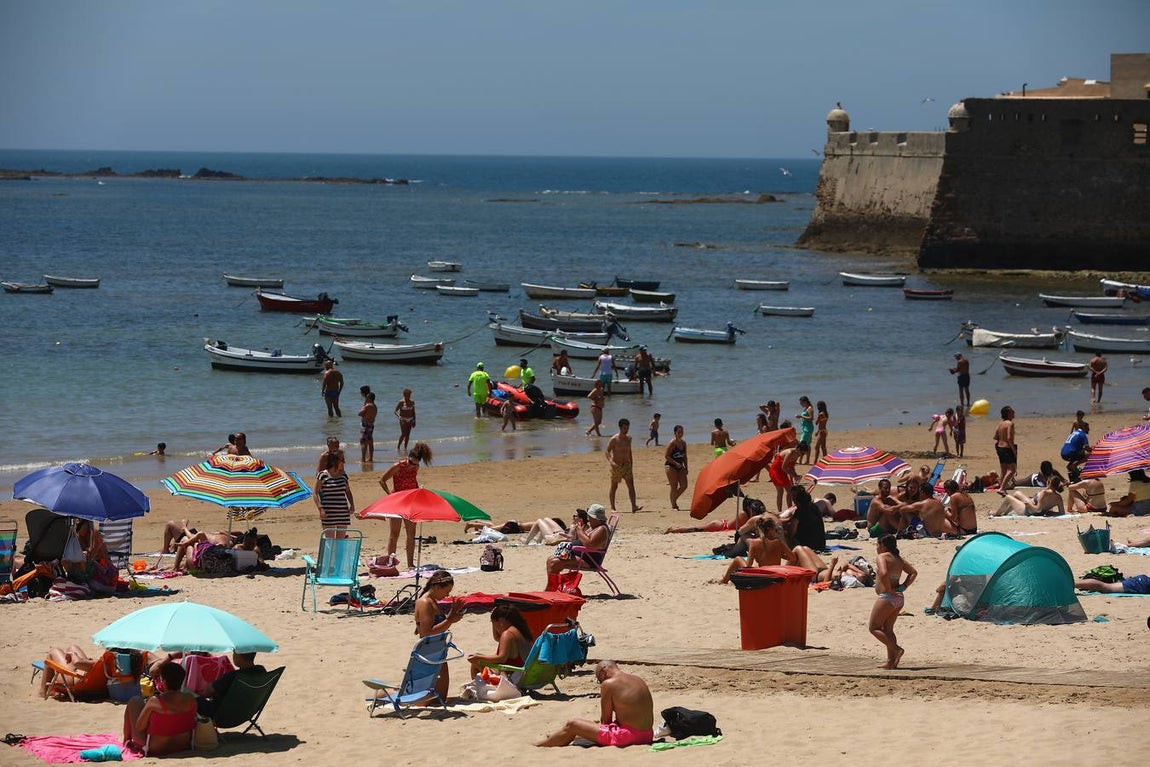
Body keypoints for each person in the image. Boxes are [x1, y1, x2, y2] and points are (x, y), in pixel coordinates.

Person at [535, 660, 654, 748]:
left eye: (599, 680)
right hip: (647, 735)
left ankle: (539, 745)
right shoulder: (638, 679)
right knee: (582, 728)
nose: (601, 683)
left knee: (572, 724)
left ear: (603, 671)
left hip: (628, 737)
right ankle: (559, 735)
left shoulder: (609, 684)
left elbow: (606, 722)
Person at [123, 661, 197, 756]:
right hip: (181, 745)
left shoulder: (155, 701)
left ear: (164, 681)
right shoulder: (190, 699)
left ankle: (126, 740)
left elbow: (139, 727)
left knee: (135, 701)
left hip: (155, 748)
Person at [413, 570, 466, 703]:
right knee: (429, 700)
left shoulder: (432, 601)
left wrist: (451, 615)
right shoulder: (425, 602)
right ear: (436, 586)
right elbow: (426, 632)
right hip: (429, 652)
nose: (447, 595)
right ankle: (385, 693)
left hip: (437, 650)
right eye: (446, 591)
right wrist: (450, 620)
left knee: (439, 698)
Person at [379, 442, 434, 567]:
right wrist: (390, 495)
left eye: (415, 464)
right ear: (408, 458)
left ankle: (410, 564)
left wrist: (418, 490)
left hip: (410, 502)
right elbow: (382, 480)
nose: (412, 466)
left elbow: (413, 481)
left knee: (411, 534)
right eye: (410, 462)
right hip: (397, 502)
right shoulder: (398, 466)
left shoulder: (416, 467)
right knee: (394, 534)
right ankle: (390, 563)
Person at [869, 534, 916, 669]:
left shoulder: (882, 557)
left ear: (883, 545)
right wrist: (904, 586)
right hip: (899, 597)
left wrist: (888, 588)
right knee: (888, 629)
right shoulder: (898, 559)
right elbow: (913, 573)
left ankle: (896, 649)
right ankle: (891, 662)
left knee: (874, 628)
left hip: (887, 597)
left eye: (877, 545)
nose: (876, 548)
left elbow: (884, 573)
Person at [713, 516, 793, 583]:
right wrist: (779, 555)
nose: (776, 532)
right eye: (775, 530)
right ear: (770, 530)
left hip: (763, 576)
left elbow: (748, 566)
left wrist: (757, 557)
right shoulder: (778, 542)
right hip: (776, 575)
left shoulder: (754, 543)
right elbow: (792, 558)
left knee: (737, 559)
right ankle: (725, 580)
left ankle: (724, 580)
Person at [546, 504, 611, 581]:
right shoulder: (594, 527)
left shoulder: (601, 529)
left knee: (554, 562)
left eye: (590, 517)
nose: (588, 519)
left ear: (595, 518)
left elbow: (589, 544)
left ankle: (553, 586)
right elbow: (581, 539)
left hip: (589, 560)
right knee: (550, 560)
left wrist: (579, 530)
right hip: (582, 555)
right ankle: (553, 586)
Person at [468, 605, 534, 678]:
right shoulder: (521, 631)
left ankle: (476, 684)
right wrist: (494, 620)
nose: (496, 629)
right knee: (478, 658)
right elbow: (497, 637)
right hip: (523, 673)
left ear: (501, 621)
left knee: (476, 662)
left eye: (494, 623)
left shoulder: (507, 634)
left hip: (513, 677)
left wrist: (478, 657)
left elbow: (501, 658)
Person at [196, 651, 267, 717]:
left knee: (190, 696)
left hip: (221, 715)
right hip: (247, 712)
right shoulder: (261, 671)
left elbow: (206, 693)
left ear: (238, 655)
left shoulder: (233, 676)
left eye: (234, 652)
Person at [606, 419, 641, 513]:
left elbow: (629, 452)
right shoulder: (614, 439)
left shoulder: (629, 438)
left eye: (628, 428)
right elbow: (607, 451)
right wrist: (611, 462)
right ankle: (613, 507)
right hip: (616, 466)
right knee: (614, 486)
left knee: (631, 486)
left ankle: (634, 506)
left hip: (626, 465)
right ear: (620, 427)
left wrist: (631, 464)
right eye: (625, 428)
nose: (626, 430)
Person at [314, 449, 354, 530]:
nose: (344, 462)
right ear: (334, 461)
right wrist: (320, 509)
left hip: (343, 513)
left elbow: (348, 491)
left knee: (341, 538)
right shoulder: (323, 475)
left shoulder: (343, 475)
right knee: (329, 538)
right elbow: (315, 493)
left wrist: (352, 505)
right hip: (328, 513)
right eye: (342, 460)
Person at [992, 477, 1066, 516]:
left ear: (1048, 482)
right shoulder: (1058, 497)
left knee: (1008, 497)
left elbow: (1038, 509)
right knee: (1017, 493)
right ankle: (1005, 513)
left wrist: (1029, 504)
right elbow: (1062, 513)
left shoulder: (1044, 493)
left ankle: (996, 513)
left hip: (1028, 511)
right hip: (1037, 510)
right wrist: (1049, 512)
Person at [784, 486, 827, 551]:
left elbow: (792, 530)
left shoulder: (800, 510)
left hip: (807, 545)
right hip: (820, 544)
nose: (793, 498)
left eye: (794, 496)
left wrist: (787, 535)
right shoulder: (814, 507)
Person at [767, 439, 801, 514]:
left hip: (783, 472)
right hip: (776, 470)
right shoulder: (789, 452)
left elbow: (791, 467)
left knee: (790, 491)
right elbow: (784, 467)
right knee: (780, 491)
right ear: (798, 449)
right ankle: (780, 511)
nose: (802, 455)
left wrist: (796, 475)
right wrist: (794, 476)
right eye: (802, 452)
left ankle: (789, 510)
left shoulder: (797, 454)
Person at [663, 425, 688, 510]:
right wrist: (675, 463)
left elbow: (685, 456)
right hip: (670, 466)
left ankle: (673, 499)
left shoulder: (683, 443)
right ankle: (674, 505)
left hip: (680, 466)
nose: (680, 434)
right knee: (674, 486)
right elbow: (666, 456)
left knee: (684, 485)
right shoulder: (672, 443)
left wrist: (686, 467)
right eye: (679, 432)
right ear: (675, 433)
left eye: (682, 432)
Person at [993, 406, 1017, 490]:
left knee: (1003, 469)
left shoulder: (1000, 423)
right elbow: (1009, 438)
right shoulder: (1010, 424)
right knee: (1012, 470)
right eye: (1012, 411)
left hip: (1000, 448)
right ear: (1008, 414)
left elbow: (995, 437)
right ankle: (1002, 488)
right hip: (1007, 448)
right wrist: (1013, 450)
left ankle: (1001, 486)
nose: (1014, 412)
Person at [1074, 572, 1150, 594]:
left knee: (1106, 586)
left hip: (1144, 581)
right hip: (1143, 584)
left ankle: (1073, 584)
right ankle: (1072, 584)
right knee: (1106, 587)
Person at [393, 388, 415, 453]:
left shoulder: (412, 402)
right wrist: (399, 417)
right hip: (403, 419)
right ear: (404, 395)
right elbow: (395, 411)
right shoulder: (401, 402)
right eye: (408, 395)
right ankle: (398, 447)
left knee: (408, 434)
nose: (409, 396)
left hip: (410, 419)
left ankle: (405, 448)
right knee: (403, 434)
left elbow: (413, 412)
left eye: (410, 395)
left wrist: (414, 420)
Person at [358, 391, 377, 462]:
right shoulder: (374, 406)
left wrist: (364, 404)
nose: (366, 398)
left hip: (365, 425)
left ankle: (363, 459)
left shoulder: (368, 405)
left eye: (367, 397)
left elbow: (359, 413)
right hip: (371, 425)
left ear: (369, 398)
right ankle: (371, 458)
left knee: (363, 442)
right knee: (370, 441)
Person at [795, 396, 814, 464]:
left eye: (801, 403)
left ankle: (800, 459)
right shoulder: (806, 408)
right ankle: (807, 460)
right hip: (805, 428)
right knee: (807, 445)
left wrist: (801, 416)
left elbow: (811, 418)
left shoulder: (809, 408)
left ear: (805, 402)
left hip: (807, 429)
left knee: (802, 444)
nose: (800, 404)